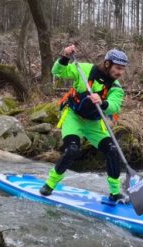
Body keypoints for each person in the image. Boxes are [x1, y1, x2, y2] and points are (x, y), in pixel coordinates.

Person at [40, 45, 128, 203]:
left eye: (123, 69)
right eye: (118, 68)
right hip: (73, 117)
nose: (120, 73)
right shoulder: (85, 69)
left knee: (112, 150)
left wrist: (103, 102)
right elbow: (58, 72)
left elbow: (115, 106)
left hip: (94, 123)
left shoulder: (116, 87)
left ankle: (115, 193)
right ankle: (50, 184)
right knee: (72, 149)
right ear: (107, 64)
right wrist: (65, 57)